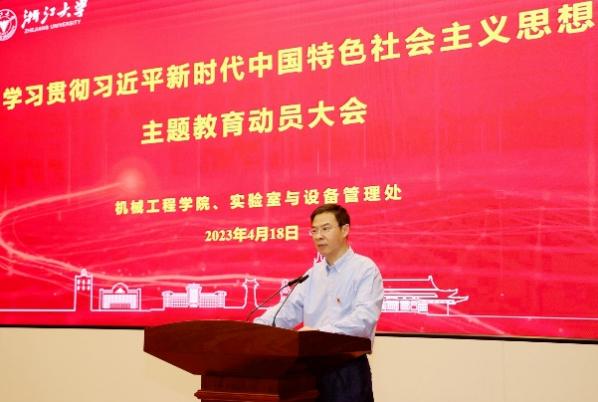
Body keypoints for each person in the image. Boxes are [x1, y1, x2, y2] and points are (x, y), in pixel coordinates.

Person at [254, 203, 384, 402]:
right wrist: (256, 329)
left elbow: (363, 320)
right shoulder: (312, 275)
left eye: (325, 228)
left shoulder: (365, 270)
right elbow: (286, 312)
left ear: (345, 230)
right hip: (310, 369)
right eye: (314, 230)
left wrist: (319, 334)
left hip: (346, 370)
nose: (318, 236)